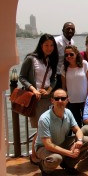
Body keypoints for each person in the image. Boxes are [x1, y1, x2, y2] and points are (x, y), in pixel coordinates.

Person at [19, 33, 58, 165]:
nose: (49, 48)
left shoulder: (51, 60)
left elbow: (53, 79)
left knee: (47, 127)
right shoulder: (31, 59)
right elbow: (22, 77)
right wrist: (33, 89)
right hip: (36, 98)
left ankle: (39, 154)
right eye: (46, 45)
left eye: (51, 45)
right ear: (41, 45)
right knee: (40, 128)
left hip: (47, 98)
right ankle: (34, 156)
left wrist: (49, 90)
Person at [35, 89, 88, 175]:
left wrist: (79, 141)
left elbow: (77, 129)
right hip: (44, 148)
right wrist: (69, 153)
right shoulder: (44, 119)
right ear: (52, 101)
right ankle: (45, 168)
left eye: (63, 98)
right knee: (56, 158)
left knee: (87, 141)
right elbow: (48, 145)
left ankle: (68, 165)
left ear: (67, 100)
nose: (60, 101)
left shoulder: (68, 112)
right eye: (57, 98)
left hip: (61, 142)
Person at [61, 45, 88, 127]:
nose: (69, 56)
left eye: (71, 54)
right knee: (76, 124)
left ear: (76, 54)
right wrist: (65, 99)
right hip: (72, 101)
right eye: (66, 55)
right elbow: (64, 86)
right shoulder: (64, 68)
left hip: (85, 100)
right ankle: (79, 139)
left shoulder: (84, 64)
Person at [54, 22, 76, 90]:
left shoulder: (72, 42)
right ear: (62, 30)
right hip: (57, 75)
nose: (70, 31)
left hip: (68, 74)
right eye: (68, 29)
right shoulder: (56, 41)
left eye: (72, 29)